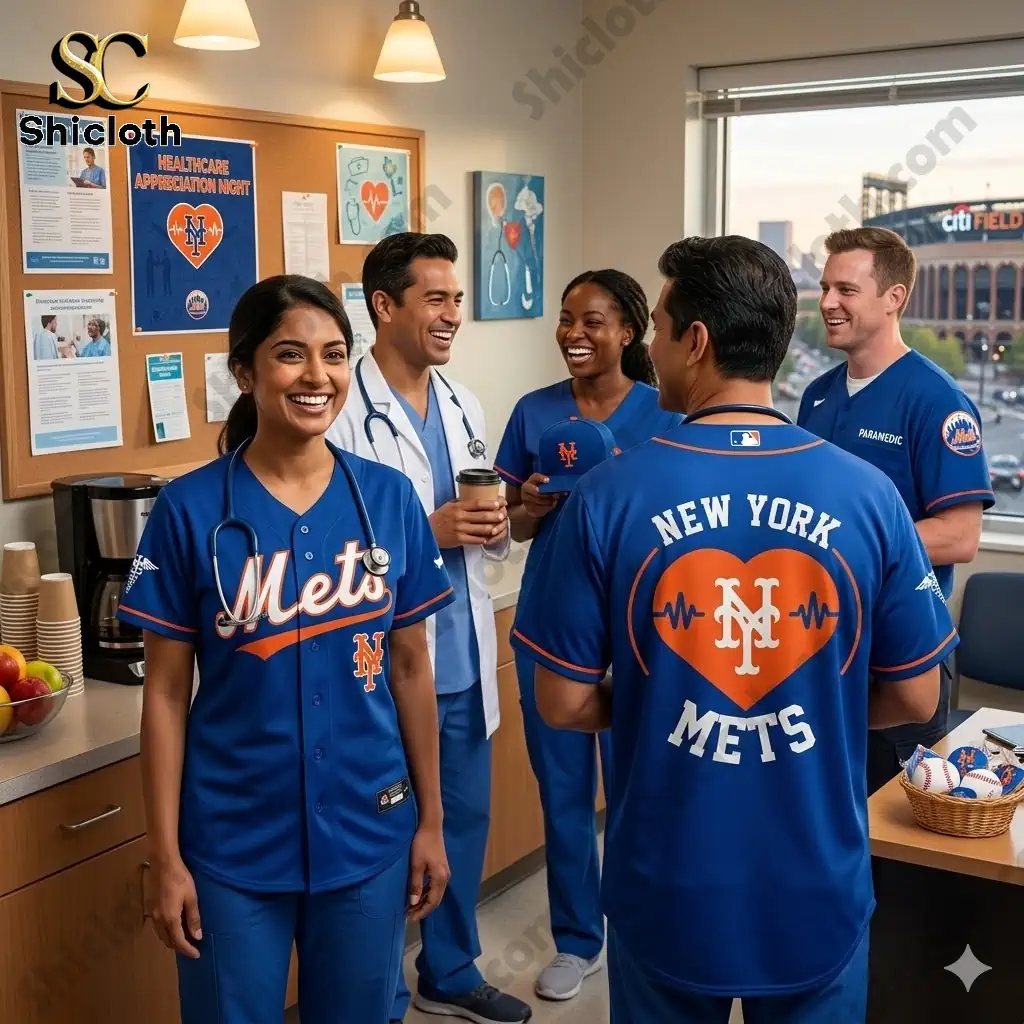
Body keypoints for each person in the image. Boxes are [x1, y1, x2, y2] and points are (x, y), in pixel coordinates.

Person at [509, 234, 957, 1023]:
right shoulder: (869, 496)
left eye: (657, 326)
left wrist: (659, 703)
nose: (651, 346)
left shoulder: (609, 496)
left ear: (697, 340)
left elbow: (563, 705)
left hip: (666, 881)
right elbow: (918, 696)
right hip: (815, 880)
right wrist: (811, 706)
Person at [116, 275, 457, 1024]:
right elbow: (167, 695)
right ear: (245, 372)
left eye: (334, 355)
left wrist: (430, 822)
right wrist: (166, 858)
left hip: (369, 832)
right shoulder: (191, 509)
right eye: (290, 355)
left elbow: (410, 668)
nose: (317, 377)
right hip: (231, 845)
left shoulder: (388, 500)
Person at [327, 233, 532, 1024]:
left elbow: (484, 523)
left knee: (462, 825)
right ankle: (374, 993)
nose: (453, 316)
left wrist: (497, 524)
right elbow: (330, 539)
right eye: (436, 299)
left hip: (463, 656)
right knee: (383, 841)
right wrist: (431, 530)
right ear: (385, 306)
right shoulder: (342, 408)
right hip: (383, 668)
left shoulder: (463, 403)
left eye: (457, 300)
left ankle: (450, 968)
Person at [493, 268, 682, 1003]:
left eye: (593, 320)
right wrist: (528, 508)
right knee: (565, 791)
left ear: (630, 332)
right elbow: (506, 521)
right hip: (553, 623)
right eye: (567, 318)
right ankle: (579, 939)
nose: (574, 332)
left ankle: (643, 925)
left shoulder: (664, 412)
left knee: (643, 787)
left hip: (639, 626)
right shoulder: (535, 412)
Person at [798, 226, 993, 793]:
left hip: (901, 655)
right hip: (825, 645)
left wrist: (850, 540)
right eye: (825, 287)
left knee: (893, 849)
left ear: (894, 298)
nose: (829, 303)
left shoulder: (936, 400)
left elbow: (960, 537)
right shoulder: (816, 395)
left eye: (846, 290)